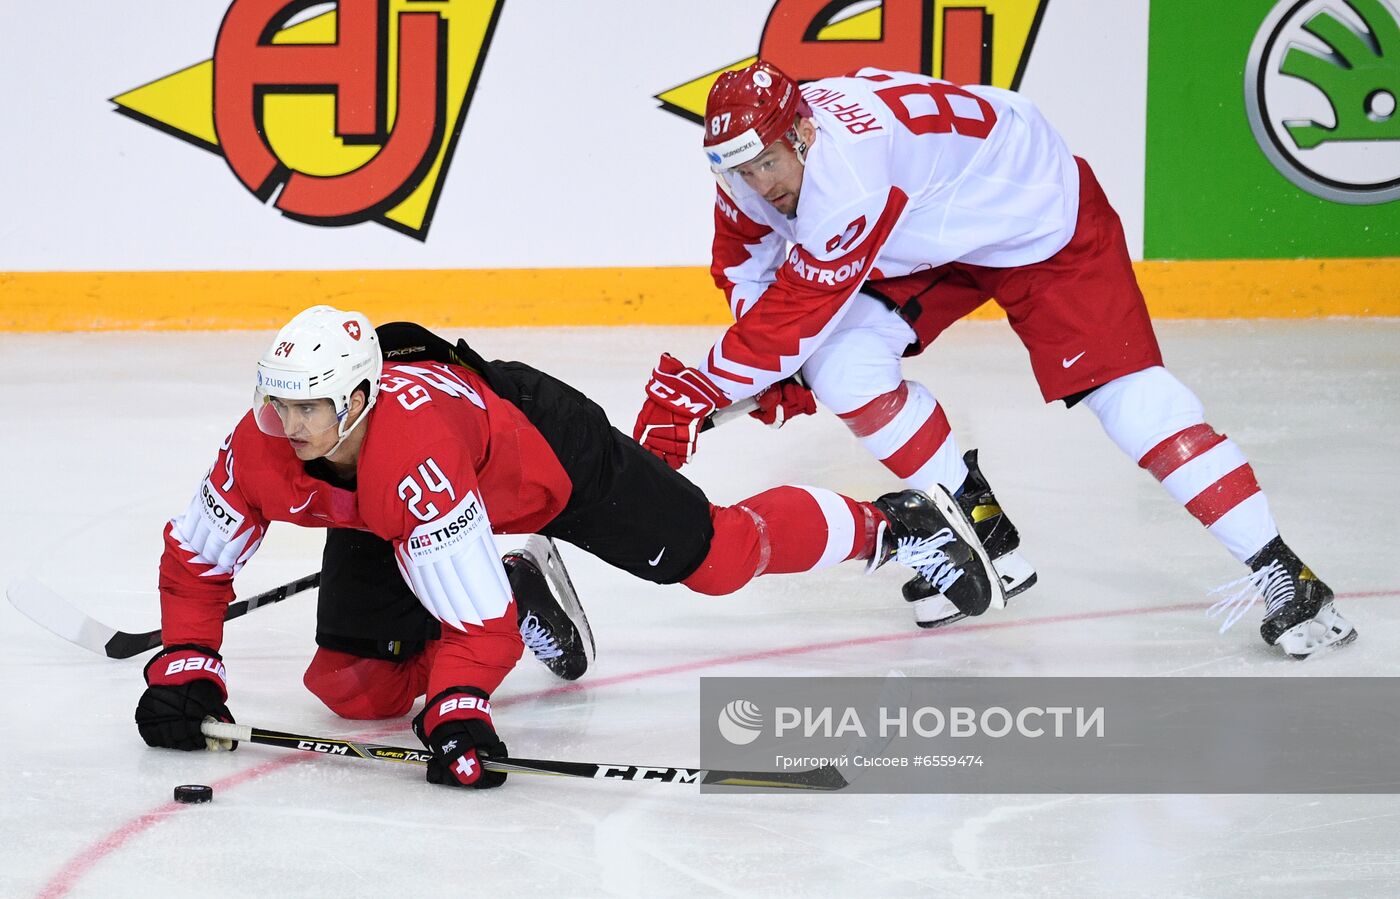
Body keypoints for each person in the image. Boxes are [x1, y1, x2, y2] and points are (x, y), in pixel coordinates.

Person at [631, 61, 1355, 658]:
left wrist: (695, 390)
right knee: (841, 366)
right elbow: (748, 268)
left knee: (1128, 400)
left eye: (766, 164)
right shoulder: (758, 167)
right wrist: (768, 369)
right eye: (738, 170)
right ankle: (984, 537)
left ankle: (1284, 570)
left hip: (1036, 215)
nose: (759, 185)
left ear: (804, 130)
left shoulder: (849, 174)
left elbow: (793, 317)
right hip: (927, 223)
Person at [135, 306, 1001, 790]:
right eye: (275, 401)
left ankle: (897, 525)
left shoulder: (414, 460)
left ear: (357, 400)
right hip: (396, 512)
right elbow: (196, 558)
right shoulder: (266, 443)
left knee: (721, 556)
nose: (284, 426)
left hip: (547, 457)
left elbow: (480, 636)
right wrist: (186, 660)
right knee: (352, 689)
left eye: (306, 407)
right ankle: (516, 573)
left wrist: (460, 705)